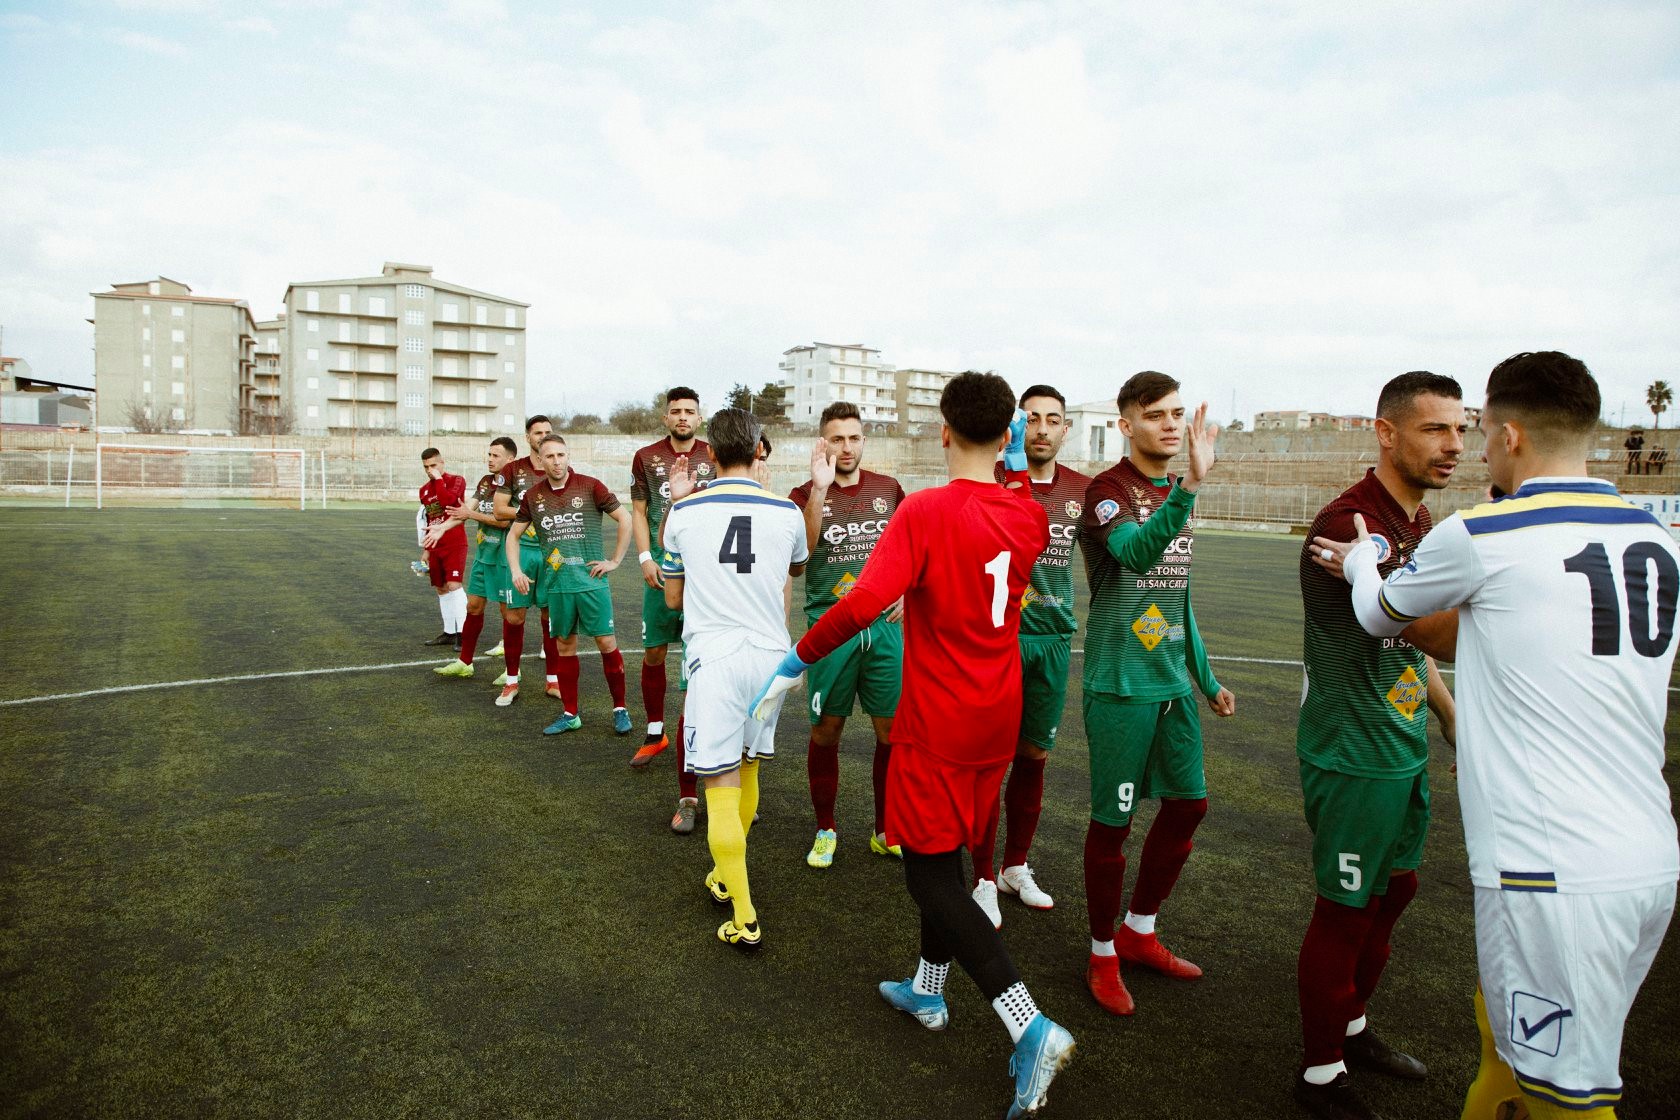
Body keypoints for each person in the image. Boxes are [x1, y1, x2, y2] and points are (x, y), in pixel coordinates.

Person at [1317, 351, 1678, 1120]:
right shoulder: (1658, 540)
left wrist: (1360, 565)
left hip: (1551, 867)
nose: (1467, 447)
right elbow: (1494, 636)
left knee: (1567, 1098)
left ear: (1509, 435)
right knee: (1512, 1051)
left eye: (1474, 431)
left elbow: (1384, 615)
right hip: (1648, 855)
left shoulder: (1485, 533)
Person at [752, 372, 1075, 1120]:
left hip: (940, 718)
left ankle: (1029, 1027)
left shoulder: (927, 510)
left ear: (941, 431)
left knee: (931, 877)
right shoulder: (1028, 515)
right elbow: (1017, 497)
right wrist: (1017, 463)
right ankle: (928, 993)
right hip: (998, 716)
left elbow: (865, 600)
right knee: (951, 852)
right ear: (1008, 434)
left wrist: (795, 661)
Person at [1291, 372, 1465, 1120]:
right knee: (1346, 910)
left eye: (1461, 430)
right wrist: (1377, 569)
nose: (1455, 445)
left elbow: (1408, 642)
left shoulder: (1419, 522)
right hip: (1352, 750)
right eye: (1436, 430)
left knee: (1397, 891)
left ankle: (1352, 1024)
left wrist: (1448, 712)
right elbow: (1414, 625)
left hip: (1402, 743)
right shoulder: (1348, 523)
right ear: (1386, 432)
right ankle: (1320, 1074)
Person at [1078, 370, 1236, 1017]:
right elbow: (1139, 555)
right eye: (1156, 415)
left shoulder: (1173, 491)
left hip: (1170, 684)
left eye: (1177, 414)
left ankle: (1138, 931)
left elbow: (1178, 598)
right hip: (1120, 684)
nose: (1171, 425)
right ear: (1126, 425)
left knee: (1189, 806)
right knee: (1112, 825)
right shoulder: (1107, 492)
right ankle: (1100, 950)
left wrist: (1206, 676)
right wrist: (1192, 488)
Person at [659, 408, 808, 950]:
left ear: (710, 454)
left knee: (718, 784)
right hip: (772, 658)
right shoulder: (787, 511)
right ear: (759, 451)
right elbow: (792, 573)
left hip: (717, 657)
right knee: (746, 768)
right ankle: (726, 875)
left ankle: (743, 915)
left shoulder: (684, 510)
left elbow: (673, 597)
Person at [970, 385, 1088, 924]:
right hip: (1001, 639)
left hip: (1054, 639)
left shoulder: (1085, 493)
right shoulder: (989, 482)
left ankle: (1016, 865)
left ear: (1066, 429)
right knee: (990, 761)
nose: (1041, 428)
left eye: (1052, 420)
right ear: (1017, 427)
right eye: (1032, 418)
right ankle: (982, 877)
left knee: (1034, 756)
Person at [788, 401, 906, 868]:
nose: (846, 447)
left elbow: (911, 549)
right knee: (826, 732)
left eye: (854, 438)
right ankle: (825, 829)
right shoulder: (802, 493)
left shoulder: (889, 489)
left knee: (892, 732)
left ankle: (884, 829)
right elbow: (803, 557)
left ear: (864, 440)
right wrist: (818, 491)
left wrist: (910, 591)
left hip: (885, 630)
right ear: (823, 442)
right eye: (836, 439)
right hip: (830, 629)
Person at [627, 388, 716, 837]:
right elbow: (639, 511)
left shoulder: (714, 455)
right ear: (665, 417)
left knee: (705, 663)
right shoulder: (646, 456)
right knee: (655, 651)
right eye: (676, 411)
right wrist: (645, 556)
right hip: (664, 567)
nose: (683, 417)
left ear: (700, 417)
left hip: (704, 572)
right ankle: (657, 730)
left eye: (690, 411)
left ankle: (715, 756)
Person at [506, 434, 633, 735]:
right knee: (564, 647)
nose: (557, 461)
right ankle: (570, 713)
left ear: (568, 456)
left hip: (591, 583)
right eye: (549, 456)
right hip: (558, 585)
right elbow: (512, 535)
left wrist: (614, 560)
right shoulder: (533, 496)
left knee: (606, 643)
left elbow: (625, 519)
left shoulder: (590, 486)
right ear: (540, 459)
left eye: (561, 455)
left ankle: (620, 708)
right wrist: (515, 570)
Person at [493, 416, 565, 706]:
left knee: (551, 617)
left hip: (552, 553)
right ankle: (511, 681)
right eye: (538, 433)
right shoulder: (513, 470)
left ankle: (553, 680)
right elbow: (499, 509)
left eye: (548, 432)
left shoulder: (561, 469)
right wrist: (534, 511)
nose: (543, 436)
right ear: (528, 437)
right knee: (514, 616)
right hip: (521, 548)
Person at [435, 436, 519, 679]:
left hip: (505, 558)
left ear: (510, 459)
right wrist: (442, 527)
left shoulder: (514, 485)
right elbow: (465, 509)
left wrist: (471, 514)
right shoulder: (485, 482)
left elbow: (505, 521)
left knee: (509, 613)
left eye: (495, 455)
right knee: (473, 606)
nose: (490, 459)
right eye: (489, 454)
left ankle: (512, 671)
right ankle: (465, 662)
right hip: (483, 556)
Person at [419, 448, 468, 650]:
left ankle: (463, 634)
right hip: (436, 545)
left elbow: (449, 502)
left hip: (454, 542)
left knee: (454, 585)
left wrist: (439, 480)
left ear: (442, 463)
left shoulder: (457, 480)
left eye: (433, 465)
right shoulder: (423, 490)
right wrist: (426, 549)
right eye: (426, 467)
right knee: (440, 588)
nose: (430, 470)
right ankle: (449, 632)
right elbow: (430, 519)